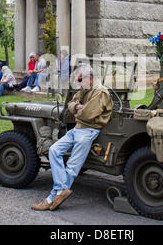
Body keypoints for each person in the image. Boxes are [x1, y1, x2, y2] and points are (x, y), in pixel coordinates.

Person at [31, 64, 113, 211]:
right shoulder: (86, 89)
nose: (79, 83)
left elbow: (87, 114)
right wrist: (77, 107)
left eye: (80, 80)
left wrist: (79, 109)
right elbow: (70, 104)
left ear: (90, 78)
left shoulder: (100, 92)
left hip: (89, 130)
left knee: (72, 167)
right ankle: (61, 190)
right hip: (78, 128)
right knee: (54, 150)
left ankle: (51, 198)